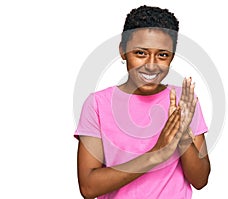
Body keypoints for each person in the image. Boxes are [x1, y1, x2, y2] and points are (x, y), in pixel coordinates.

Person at [75, 5, 210, 199]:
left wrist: (184, 139)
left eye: (162, 54)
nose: (151, 64)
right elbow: (88, 187)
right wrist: (155, 155)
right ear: (123, 51)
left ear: (172, 56)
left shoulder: (183, 101)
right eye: (140, 53)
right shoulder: (97, 104)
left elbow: (200, 180)